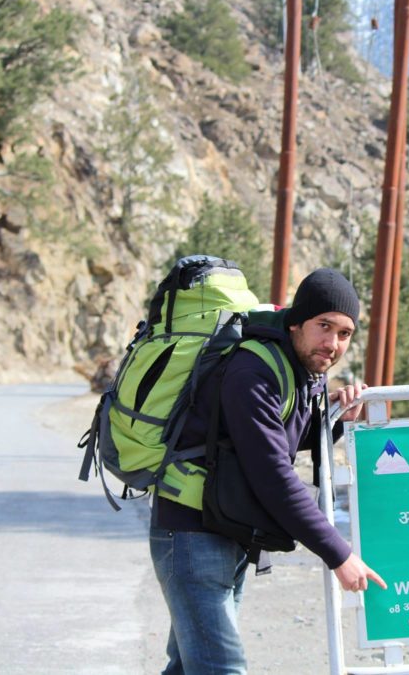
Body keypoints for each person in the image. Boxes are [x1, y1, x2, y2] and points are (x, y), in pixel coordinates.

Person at [149, 267, 387, 675]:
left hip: (225, 529)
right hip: (192, 536)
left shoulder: (296, 366)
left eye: (344, 333)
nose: (332, 344)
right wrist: (339, 554)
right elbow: (273, 474)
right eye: (324, 326)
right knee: (220, 668)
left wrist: (340, 417)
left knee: (190, 667)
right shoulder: (253, 370)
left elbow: (281, 436)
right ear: (297, 320)